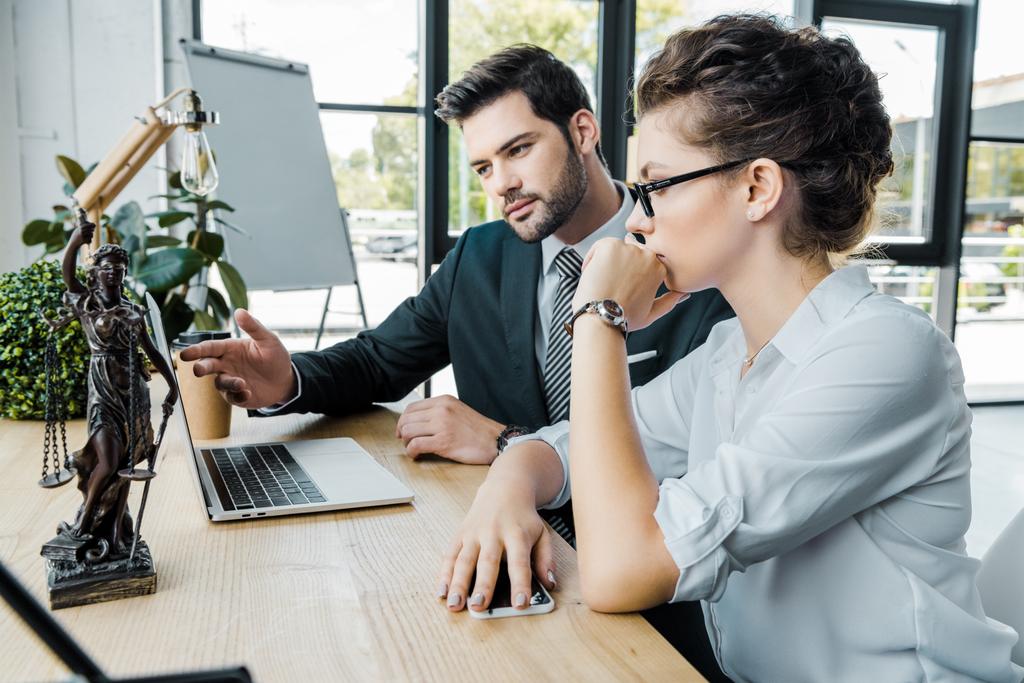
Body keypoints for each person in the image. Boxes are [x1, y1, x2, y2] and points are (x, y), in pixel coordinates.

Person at [436, 15, 1023, 682]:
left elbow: (622, 569)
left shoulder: (886, 352)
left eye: (656, 186)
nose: (635, 217)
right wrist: (507, 484)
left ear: (757, 187)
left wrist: (599, 315)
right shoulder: (726, 352)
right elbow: (561, 447)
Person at [178, 45, 731, 469]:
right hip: (492, 537)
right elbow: (377, 361)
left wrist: (506, 444)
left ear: (582, 131)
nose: (503, 185)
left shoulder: (688, 254)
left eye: (519, 150)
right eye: (484, 167)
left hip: (645, 579)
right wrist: (289, 379)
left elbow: (690, 454)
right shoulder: (479, 256)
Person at [54, 215, 177, 561]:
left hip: (133, 395)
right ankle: (85, 523)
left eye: (119, 268)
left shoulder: (134, 311)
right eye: (107, 267)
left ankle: (116, 534)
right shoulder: (88, 304)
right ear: (97, 272)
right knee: (106, 462)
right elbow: (66, 275)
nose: (113, 273)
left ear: (125, 273)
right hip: (102, 393)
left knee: (126, 464)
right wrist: (75, 241)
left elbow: (151, 352)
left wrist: (172, 385)